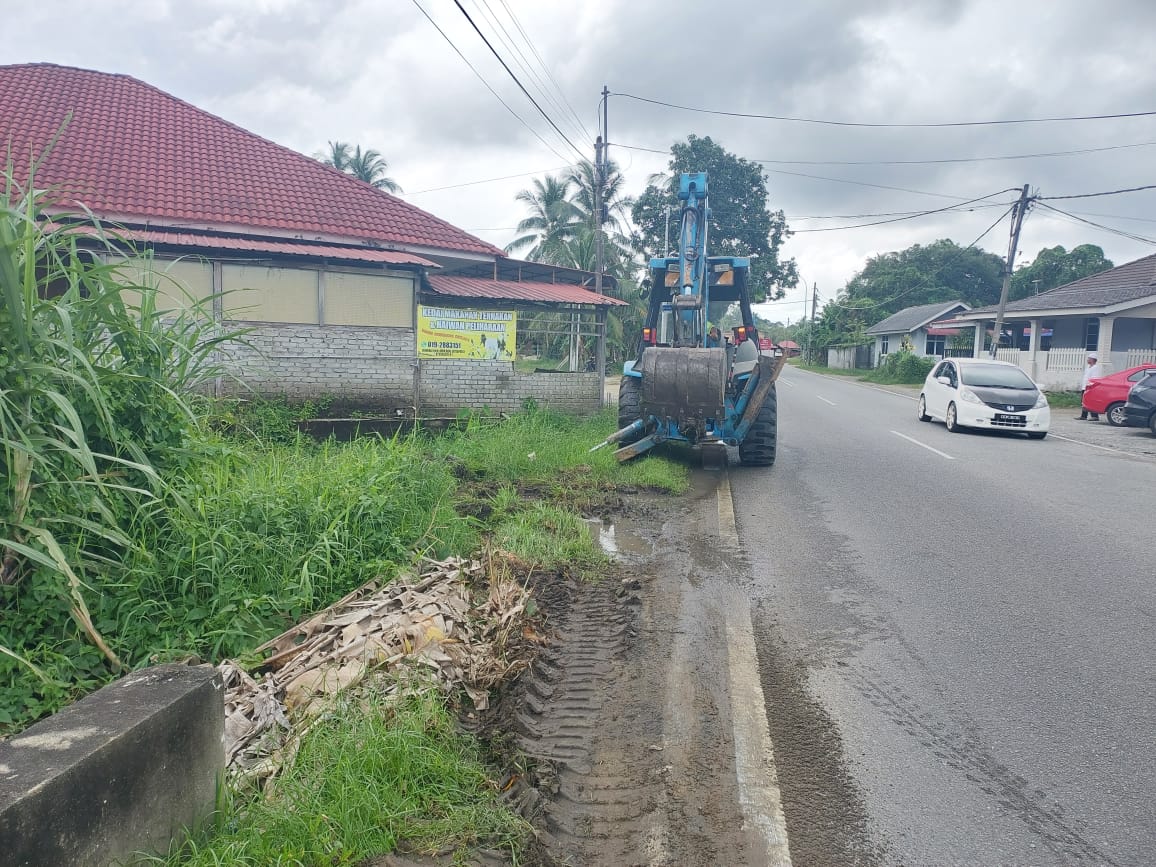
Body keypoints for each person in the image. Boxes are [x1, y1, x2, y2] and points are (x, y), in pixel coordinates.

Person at [1078, 352, 1103, 420]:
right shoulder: (1088, 367)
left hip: (1091, 388)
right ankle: (1083, 416)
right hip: (1085, 387)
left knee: (1091, 402)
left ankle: (1095, 416)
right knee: (1084, 401)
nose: (1087, 360)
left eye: (1089, 359)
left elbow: (1094, 379)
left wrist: (1090, 387)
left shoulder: (1095, 368)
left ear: (1093, 360)